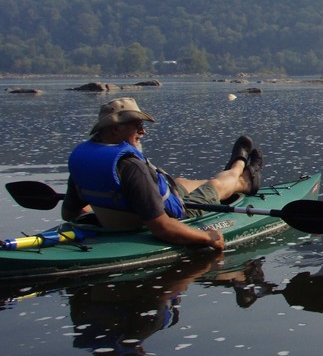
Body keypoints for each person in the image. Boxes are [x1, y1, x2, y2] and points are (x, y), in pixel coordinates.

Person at [63, 97, 264, 250]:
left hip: (147, 199)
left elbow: (70, 213)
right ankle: (242, 175)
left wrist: (106, 213)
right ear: (115, 129)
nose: (143, 131)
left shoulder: (84, 159)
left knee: (180, 182)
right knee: (216, 186)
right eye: (137, 126)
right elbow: (162, 228)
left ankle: (238, 169)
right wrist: (208, 238)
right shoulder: (131, 167)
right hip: (173, 215)